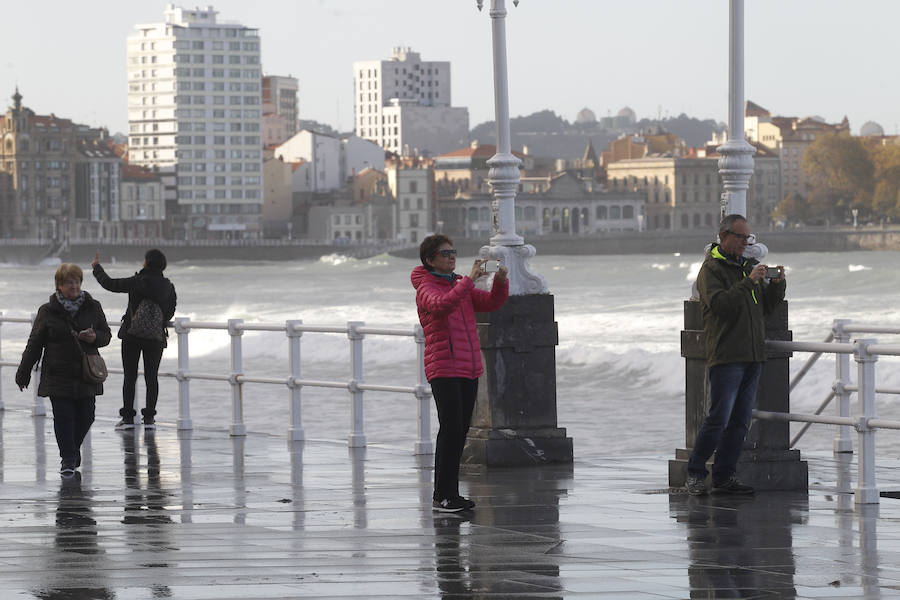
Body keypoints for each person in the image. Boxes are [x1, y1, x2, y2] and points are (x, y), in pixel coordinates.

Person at [685, 214, 786, 496]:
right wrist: (749, 282)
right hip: (727, 354)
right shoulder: (711, 270)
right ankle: (695, 473)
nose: (745, 243)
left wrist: (777, 286)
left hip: (753, 355)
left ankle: (724, 476)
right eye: (741, 237)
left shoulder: (748, 267)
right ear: (724, 235)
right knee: (719, 418)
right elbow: (720, 306)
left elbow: (764, 309)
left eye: (748, 238)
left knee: (741, 421)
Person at [411, 234, 509, 512]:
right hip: (443, 366)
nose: (452, 256)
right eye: (445, 253)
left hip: (468, 366)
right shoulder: (426, 287)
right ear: (430, 260)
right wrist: (468, 281)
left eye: (453, 252)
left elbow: (491, 303)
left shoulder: (457, 285)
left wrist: (500, 281)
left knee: (460, 431)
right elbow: (441, 305)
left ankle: (450, 494)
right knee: (450, 430)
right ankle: (442, 495)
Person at [15, 263, 112, 476]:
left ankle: (72, 450)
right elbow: (34, 344)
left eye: (77, 281)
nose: (75, 286)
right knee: (64, 417)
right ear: (59, 285)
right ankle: (67, 459)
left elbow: (106, 335)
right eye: (69, 282)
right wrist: (23, 372)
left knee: (88, 415)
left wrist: (95, 337)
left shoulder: (93, 306)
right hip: (57, 374)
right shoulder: (47, 311)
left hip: (86, 374)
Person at [91, 249, 177, 430]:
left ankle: (128, 419)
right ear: (163, 265)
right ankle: (149, 420)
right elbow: (169, 312)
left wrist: (97, 268)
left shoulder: (137, 281)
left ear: (145, 263)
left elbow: (110, 284)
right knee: (151, 377)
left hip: (132, 335)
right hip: (155, 337)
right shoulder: (168, 287)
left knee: (130, 376)